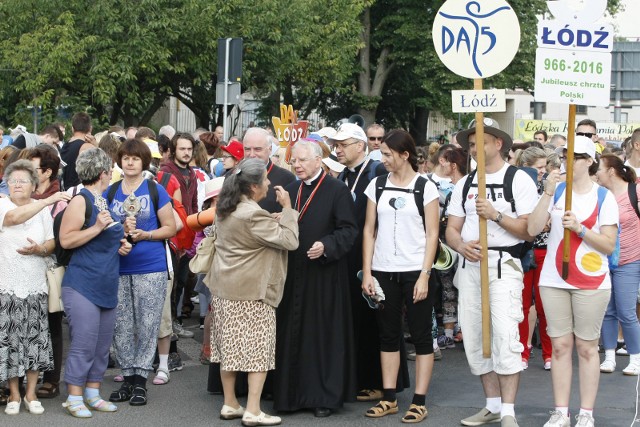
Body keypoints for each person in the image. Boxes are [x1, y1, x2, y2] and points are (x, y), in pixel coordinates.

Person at [446, 119, 538, 427]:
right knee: (475, 336)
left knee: (505, 336)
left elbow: (529, 231)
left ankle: (509, 411)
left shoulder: (519, 180)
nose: (473, 149)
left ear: (498, 143)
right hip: (471, 266)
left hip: (504, 266)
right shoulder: (465, 183)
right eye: (470, 144)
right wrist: (461, 246)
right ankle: (492, 405)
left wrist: (496, 215)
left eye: (479, 142)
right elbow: (452, 230)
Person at [528, 136, 618, 427]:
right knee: (561, 346)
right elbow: (531, 229)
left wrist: (579, 228)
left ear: (590, 161)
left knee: (587, 348)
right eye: (565, 154)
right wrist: (546, 193)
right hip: (554, 279)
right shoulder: (556, 191)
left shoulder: (604, 197)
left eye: (577, 156)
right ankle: (561, 412)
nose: (569, 159)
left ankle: (586, 413)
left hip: (591, 280)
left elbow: (608, 244)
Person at [206, 158, 299, 426]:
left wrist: (270, 218)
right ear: (254, 187)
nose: (270, 185)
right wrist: (288, 209)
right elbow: (290, 241)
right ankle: (254, 410)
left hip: (224, 291)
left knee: (228, 351)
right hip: (251, 294)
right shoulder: (253, 214)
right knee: (258, 352)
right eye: (266, 181)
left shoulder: (226, 208)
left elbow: (247, 232)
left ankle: (230, 404)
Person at [274, 139, 358, 418]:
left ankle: (323, 397)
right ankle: (289, 396)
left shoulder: (337, 190)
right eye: (293, 161)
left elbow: (348, 230)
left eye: (301, 160)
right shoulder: (290, 189)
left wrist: (327, 245)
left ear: (318, 161)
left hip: (324, 275)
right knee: (291, 333)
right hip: (292, 274)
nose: (296, 165)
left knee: (321, 336)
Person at [361, 130, 440, 423]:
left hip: (415, 269)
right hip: (383, 269)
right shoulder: (377, 185)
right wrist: (367, 272)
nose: (383, 160)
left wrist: (424, 274)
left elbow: (433, 233)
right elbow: (369, 230)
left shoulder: (425, 187)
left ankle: (419, 400)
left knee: (420, 336)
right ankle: (389, 397)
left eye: (387, 155)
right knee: (388, 334)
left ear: (404, 155)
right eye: (381, 154)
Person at [59, 148, 132, 417]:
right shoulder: (82, 200)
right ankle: (74, 395)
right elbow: (66, 240)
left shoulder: (104, 201)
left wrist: (121, 244)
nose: (112, 173)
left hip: (106, 283)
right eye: (111, 170)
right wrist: (97, 228)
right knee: (84, 344)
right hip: (81, 284)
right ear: (103, 173)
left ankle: (92, 391)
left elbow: (104, 243)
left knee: (101, 347)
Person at [332, 122, 401, 402]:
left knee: (376, 321)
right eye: (335, 145)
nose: (337, 150)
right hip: (348, 259)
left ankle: (381, 383)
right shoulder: (342, 177)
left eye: (342, 145)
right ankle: (359, 378)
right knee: (356, 320)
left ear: (360, 146)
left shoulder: (377, 172)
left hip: (374, 258)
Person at [107, 139, 177, 406]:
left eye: (136, 158)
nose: (130, 162)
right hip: (119, 267)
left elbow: (170, 227)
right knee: (121, 324)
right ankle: (126, 377)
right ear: (120, 161)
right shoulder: (111, 192)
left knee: (148, 324)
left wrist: (145, 234)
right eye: (126, 157)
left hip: (150, 266)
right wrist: (119, 235)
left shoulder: (155, 189)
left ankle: (140, 381)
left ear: (143, 161)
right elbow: (101, 229)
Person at [0, 160, 69, 415]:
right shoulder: (2, 204)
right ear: (7, 184)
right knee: (9, 342)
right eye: (13, 180)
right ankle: (14, 395)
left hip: (35, 285)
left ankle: (30, 393)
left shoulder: (40, 210)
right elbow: (13, 218)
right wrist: (46, 201)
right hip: (6, 285)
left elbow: (52, 242)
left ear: (33, 185)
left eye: (23, 180)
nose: (18, 184)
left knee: (34, 341)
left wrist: (40, 249)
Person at [23, 145, 67, 400]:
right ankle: (26, 374)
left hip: (49, 265)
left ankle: (52, 379)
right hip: (22, 266)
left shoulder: (59, 200)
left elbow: (60, 238)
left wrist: (42, 247)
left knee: (52, 324)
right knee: (23, 323)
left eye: (33, 168)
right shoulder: (21, 194)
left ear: (47, 171)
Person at [595, 154, 640, 376]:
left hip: (630, 259)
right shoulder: (600, 195)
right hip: (604, 259)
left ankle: (635, 358)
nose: (596, 174)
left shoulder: (635, 192)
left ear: (611, 171)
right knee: (607, 311)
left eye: (599, 170)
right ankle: (610, 356)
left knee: (627, 311)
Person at [514, 147, 553, 370]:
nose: (542, 172)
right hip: (525, 250)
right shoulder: (518, 185)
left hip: (546, 249)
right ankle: (522, 351)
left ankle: (548, 354)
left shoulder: (547, 187)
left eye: (544, 167)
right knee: (522, 304)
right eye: (538, 168)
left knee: (544, 304)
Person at [242, 127, 295, 214]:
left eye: (257, 149)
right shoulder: (232, 175)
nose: (251, 154)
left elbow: (290, 215)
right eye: (247, 149)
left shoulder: (287, 178)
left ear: (270, 149)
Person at [60, 112, 96, 189]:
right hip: (79, 192)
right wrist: (96, 146)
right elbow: (101, 167)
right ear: (90, 128)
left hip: (64, 191)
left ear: (72, 128)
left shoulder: (64, 145)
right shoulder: (87, 147)